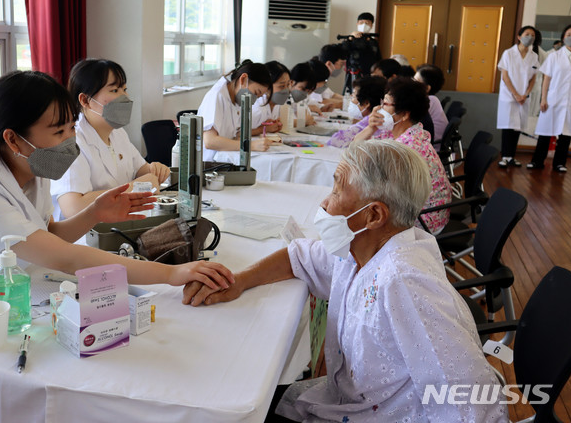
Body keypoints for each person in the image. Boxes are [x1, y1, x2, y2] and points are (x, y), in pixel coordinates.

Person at [182, 139, 507, 422]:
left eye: (338, 188)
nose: (325, 202)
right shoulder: (359, 249)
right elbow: (300, 256)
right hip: (345, 402)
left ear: (374, 215)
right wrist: (239, 280)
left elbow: (470, 399)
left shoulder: (406, 281)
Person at [0, 71, 233, 299]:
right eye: (58, 132)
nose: (69, 141)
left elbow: (49, 236)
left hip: (2, 281)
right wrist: (170, 275)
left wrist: (95, 213)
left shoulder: (31, 165)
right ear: (12, 138)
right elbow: (63, 257)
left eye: (69, 129)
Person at [51, 59, 170, 220]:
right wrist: (136, 187)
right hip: (84, 235)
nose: (125, 97)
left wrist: (155, 169)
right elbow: (73, 207)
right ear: (85, 100)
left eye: (124, 89)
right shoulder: (70, 142)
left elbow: (143, 171)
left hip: (119, 223)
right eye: (114, 90)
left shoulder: (117, 133)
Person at [354, 78, 452, 234]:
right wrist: (370, 128)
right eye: (382, 102)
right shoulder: (406, 132)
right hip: (416, 209)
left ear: (405, 114)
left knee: (358, 218)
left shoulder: (408, 147)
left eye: (385, 104)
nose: (379, 109)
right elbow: (355, 150)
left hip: (423, 220)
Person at [198, 60, 273, 161]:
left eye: (258, 97)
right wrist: (250, 145)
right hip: (209, 164)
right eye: (256, 92)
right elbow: (210, 141)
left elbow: (235, 134)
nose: (254, 100)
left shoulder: (235, 99)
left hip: (225, 159)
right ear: (243, 79)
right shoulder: (217, 96)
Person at [527, 24, 571, 173]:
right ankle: (537, 161)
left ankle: (559, 163)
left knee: (565, 135)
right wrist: (543, 99)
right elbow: (546, 79)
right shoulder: (554, 56)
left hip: (570, 102)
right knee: (545, 132)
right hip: (553, 100)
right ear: (563, 37)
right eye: (568, 34)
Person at [495, 26, 540, 168]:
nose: (530, 37)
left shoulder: (534, 56)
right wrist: (516, 94)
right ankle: (504, 157)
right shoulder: (508, 54)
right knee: (508, 127)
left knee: (517, 127)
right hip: (509, 96)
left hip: (523, 98)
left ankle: (511, 157)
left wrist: (525, 94)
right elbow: (505, 76)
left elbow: (533, 78)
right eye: (527, 34)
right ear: (519, 37)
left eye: (532, 35)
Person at [326, 75, 386, 148]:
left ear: (366, 103)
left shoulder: (370, 122)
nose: (351, 100)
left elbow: (335, 140)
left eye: (353, 96)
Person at [340, 12, 382, 93]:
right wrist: (350, 38)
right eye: (361, 22)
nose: (364, 25)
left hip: (370, 74)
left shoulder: (373, 42)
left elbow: (378, 58)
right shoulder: (351, 39)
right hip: (353, 73)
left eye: (367, 23)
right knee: (353, 93)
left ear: (371, 25)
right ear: (357, 23)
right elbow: (343, 52)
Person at [414, 64, 449, 151]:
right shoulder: (433, 99)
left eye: (416, 81)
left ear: (427, 88)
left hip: (432, 149)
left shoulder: (430, 100)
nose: (411, 84)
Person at [251, 61, 288, 136]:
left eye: (288, 85)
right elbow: (238, 134)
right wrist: (264, 129)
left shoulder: (276, 104)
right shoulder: (257, 107)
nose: (286, 90)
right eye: (282, 86)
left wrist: (274, 126)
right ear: (267, 86)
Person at [316, 44, 348, 110]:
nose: (342, 68)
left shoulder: (323, 77)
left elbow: (332, 94)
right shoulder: (316, 75)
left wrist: (348, 100)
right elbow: (319, 102)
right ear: (329, 64)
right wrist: (345, 103)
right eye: (341, 64)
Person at [288, 62, 317, 127]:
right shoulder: (282, 97)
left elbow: (308, 116)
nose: (304, 94)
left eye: (308, 91)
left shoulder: (298, 99)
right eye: (303, 89)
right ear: (292, 82)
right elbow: (282, 123)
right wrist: (302, 122)